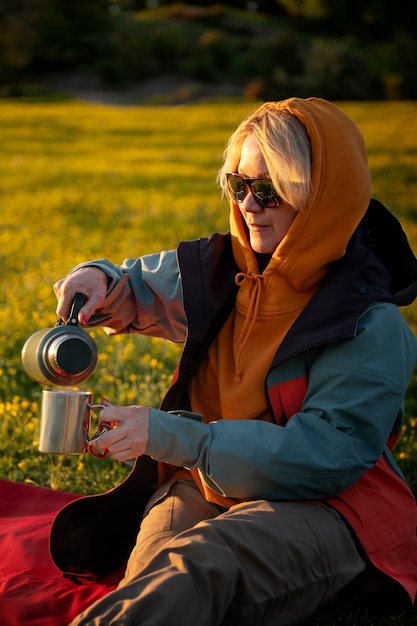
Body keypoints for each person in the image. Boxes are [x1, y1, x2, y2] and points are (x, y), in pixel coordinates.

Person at [54, 97, 417, 626]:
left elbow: (327, 457)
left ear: (322, 193)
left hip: (326, 506)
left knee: (197, 565)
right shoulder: (223, 270)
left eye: (270, 190)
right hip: (202, 482)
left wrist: (172, 436)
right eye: (239, 185)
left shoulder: (369, 319)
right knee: (153, 572)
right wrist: (98, 278)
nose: (250, 205)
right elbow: (136, 286)